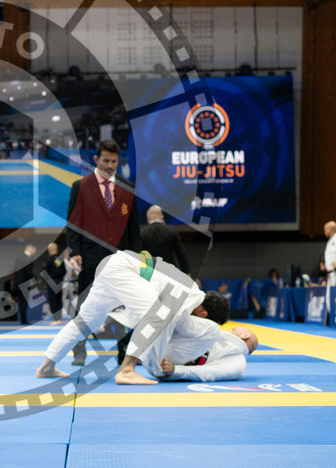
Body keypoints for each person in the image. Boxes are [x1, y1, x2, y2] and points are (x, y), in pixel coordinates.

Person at [36, 250, 228, 385]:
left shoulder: (186, 288)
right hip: (123, 268)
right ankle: (127, 370)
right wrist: (160, 365)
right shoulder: (190, 294)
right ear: (204, 314)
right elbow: (162, 321)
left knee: (85, 322)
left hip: (112, 265)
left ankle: (47, 366)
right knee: (157, 314)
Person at [65, 138, 142, 365]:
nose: (110, 165)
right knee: (85, 308)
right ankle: (79, 350)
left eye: (114, 161)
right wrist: (74, 251)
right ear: (96, 159)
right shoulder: (81, 187)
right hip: (90, 258)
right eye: (106, 160)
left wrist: (135, 258)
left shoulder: (128, 188)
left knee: (123, 308)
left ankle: (123, 354)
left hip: (121, 260)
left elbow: (134, 228)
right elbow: (73, 223)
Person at [159, 327, 258, 382]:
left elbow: (209, 372)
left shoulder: (238, 363)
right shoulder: (214, 331)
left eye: (233, 329)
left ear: (245, 336)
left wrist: (176, 370)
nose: (229, 330)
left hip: (164, 360)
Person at [142, 205, 189, 273]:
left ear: (148, 218)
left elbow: (140, 256)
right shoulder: (172, 231)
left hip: (150, 272)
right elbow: (181, 253)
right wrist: (186, 271)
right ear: (162, 216)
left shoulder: (143, 233)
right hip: (170, 271)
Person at [7, 243, 37, 325]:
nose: (35, 251)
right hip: (24, 284)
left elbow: (15, 271)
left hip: (17, 284)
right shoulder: (29, 259)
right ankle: (24, 320)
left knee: (20, 302)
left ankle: (22, 319)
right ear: (30, 249)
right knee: (24, 303)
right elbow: (28, 273)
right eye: (34, 250)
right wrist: (35, 279)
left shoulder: (19, 258)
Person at [41, 242, 67, 322]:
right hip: (59, 282)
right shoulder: (58, 260)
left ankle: (56, 319)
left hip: (51, 282)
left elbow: (44, 273)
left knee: (53, 300)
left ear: (50, 250)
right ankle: (59, 318)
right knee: (58, 300)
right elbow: (64, 271)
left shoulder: (49, 260)